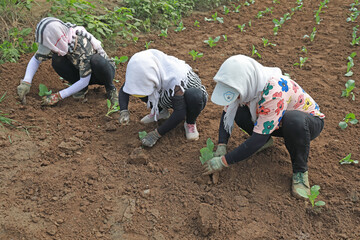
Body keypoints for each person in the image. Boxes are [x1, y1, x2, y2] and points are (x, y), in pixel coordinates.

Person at [203, 55, 325, 199]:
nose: (234, 98)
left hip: (305, 125)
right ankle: (266, 141)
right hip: (275, 121)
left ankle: (300, 172)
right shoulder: (246, 85)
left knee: (293, 120)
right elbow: (227, 112)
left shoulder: (274, 93)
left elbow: (256, 140)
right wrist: (222, 144)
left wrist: (223, 161)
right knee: (239, 109)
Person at [17, 17, 118, 106]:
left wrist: (58, 96)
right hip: (81, 72)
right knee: (57, 59)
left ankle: (110, 88)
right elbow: (36, 60)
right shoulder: (60, 40)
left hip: (100, 73)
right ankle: (79, 88)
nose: (50, 49)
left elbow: (84, 80)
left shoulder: (81, 45)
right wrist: (26, 82)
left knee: (96, 61)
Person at [118, 49, 208, 147]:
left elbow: (180, 113)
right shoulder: (139, 71)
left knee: (194, 96)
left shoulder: (174, 79)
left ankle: (190, 122)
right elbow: (125, 90)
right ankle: (161, 111)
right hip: (166, 94)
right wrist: (124, 111)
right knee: (139, 89)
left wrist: (156, 134)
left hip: (185, 96)